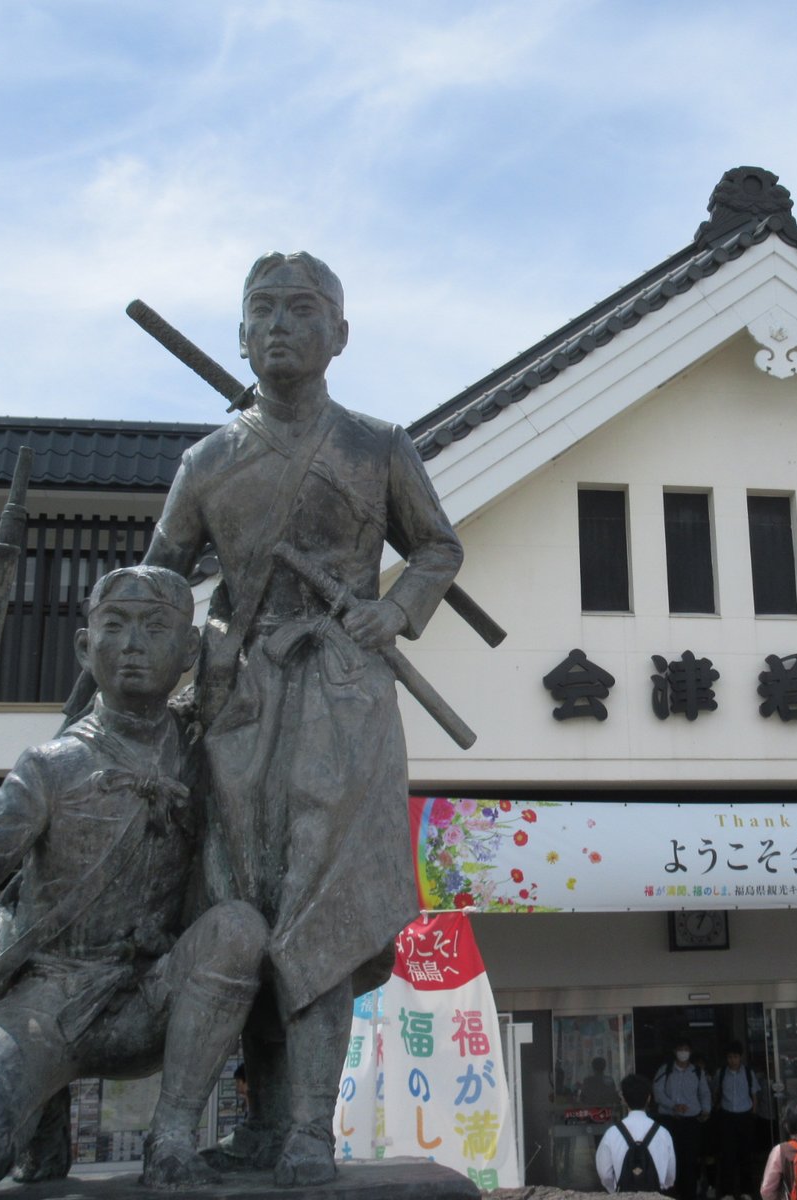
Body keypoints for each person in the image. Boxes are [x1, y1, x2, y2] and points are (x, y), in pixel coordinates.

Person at [143, 251, 464, 1184]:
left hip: (344, 700)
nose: (280, 325)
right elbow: (162, 579)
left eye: (303, 309)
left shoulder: (376, 446)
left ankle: (309, 1132)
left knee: (324, 912)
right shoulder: (206, 461)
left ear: (340, 334)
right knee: (241, 908)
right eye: (262, 311)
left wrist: (394, 611)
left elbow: (439, 546)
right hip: (238, 708)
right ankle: (255, 1119)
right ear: (240, 335)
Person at [0, 566, 268, 1196]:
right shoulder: (51, 766)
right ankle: (41, 1119)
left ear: (187, 651)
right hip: (49, 1003)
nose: (132, 644)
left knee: (239, 929)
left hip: (152, 995)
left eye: (154, 628)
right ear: (86, 646)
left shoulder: (203, 750)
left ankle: (173, 1139)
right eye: (115, 626)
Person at [598, 1074, 678, 1193]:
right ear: (649, 1098)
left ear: (623, 1099)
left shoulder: (611, 1133)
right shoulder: (663, 1133)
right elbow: (670, 1176)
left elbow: (605, 1175)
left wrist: (614, 1191)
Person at [654, 1038, 712, 1200]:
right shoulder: (665, 1070)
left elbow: (705, 1093)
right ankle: (672, 1192)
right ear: (675, 1051)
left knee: (690, 1159)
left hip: (691, 1122)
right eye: (680, 1049)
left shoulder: (697, 1072)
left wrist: (706, 1110)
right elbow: (657, 1093)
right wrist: (674, 1106)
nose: (683, 1052)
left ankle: (689, 1193)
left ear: (690, 1052)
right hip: (669, 1121)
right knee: (670, 1158)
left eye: (686, 1049)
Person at [714, 1041, 764, 1200]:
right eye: (729, 1057)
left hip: (745, 1117)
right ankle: (727, 1192)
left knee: (746, 1155)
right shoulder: (721, 1073)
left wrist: (753, 1114)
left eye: (735, 1057)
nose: (732, 1060)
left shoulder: (748, 1073)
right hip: (727, 1116)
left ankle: (746, 1191)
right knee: (727, 1155)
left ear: (740, 1057)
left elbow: (755, 1095)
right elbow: (715, 1092)